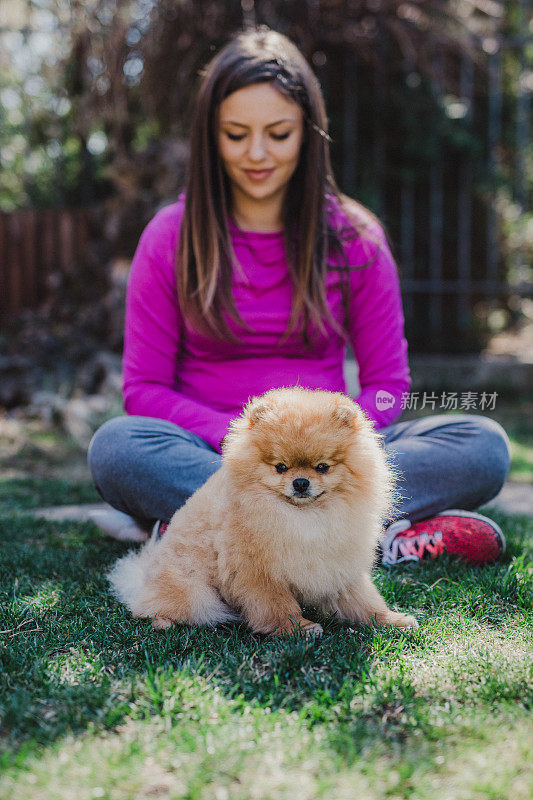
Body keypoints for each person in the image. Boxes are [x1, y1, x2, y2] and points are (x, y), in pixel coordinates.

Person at [88, 27, 510, 566]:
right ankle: (374, 540)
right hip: (214, 452)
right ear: (210, 137)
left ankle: (210, 530)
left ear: (309, 134)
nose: (256, 153)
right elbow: (143, 390)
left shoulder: (356, 238)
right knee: (117, 449)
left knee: (483, 445)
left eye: (279, 133)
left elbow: (386, 386)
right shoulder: (169, 236)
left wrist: (332, 451)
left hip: (327, 465)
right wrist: (247, 446)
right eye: (236, 134)